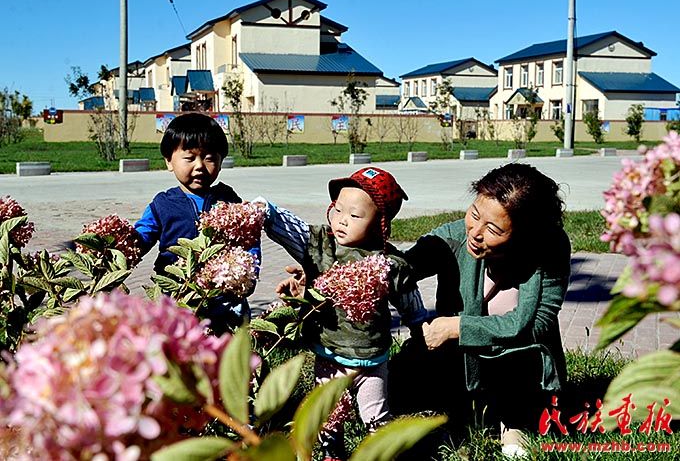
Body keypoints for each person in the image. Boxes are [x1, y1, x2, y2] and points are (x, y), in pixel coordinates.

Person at [387, 162, 571, 458]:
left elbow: (538, 325)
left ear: (524, 235)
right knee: (392, 383)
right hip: (459, 359)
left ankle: (514, 424)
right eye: (474, 214)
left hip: (519, 364)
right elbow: (401, 269)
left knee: (519, 366)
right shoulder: (453, 237)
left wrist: (457, 327)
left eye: (494, 229)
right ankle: (460, 410)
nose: (476, 232)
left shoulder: (550, 249)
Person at [257, 167, 425, 461]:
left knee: (375, 414)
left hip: (371, 361)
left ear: (379, 225)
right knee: (328, 415)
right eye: (337, 210)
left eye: (355, 215)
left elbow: (409, 297)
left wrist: (419, 324)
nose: (342, 220)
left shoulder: (388, 263)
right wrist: (267, 212)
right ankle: (331, 452)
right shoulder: (322, 245)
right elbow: (295, 230)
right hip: (330, 355)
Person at [134, 113, 260, 333]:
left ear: (221, 161)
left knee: (227, 344)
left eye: (209, 158)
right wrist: (119, 246)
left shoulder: (230, 200)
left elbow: (249, 242)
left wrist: (248, 272)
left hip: (222, 297)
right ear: (169, 161)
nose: (200, 166)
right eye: (189, 158)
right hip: (176, 294)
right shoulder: (162, 204)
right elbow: (140, 237)